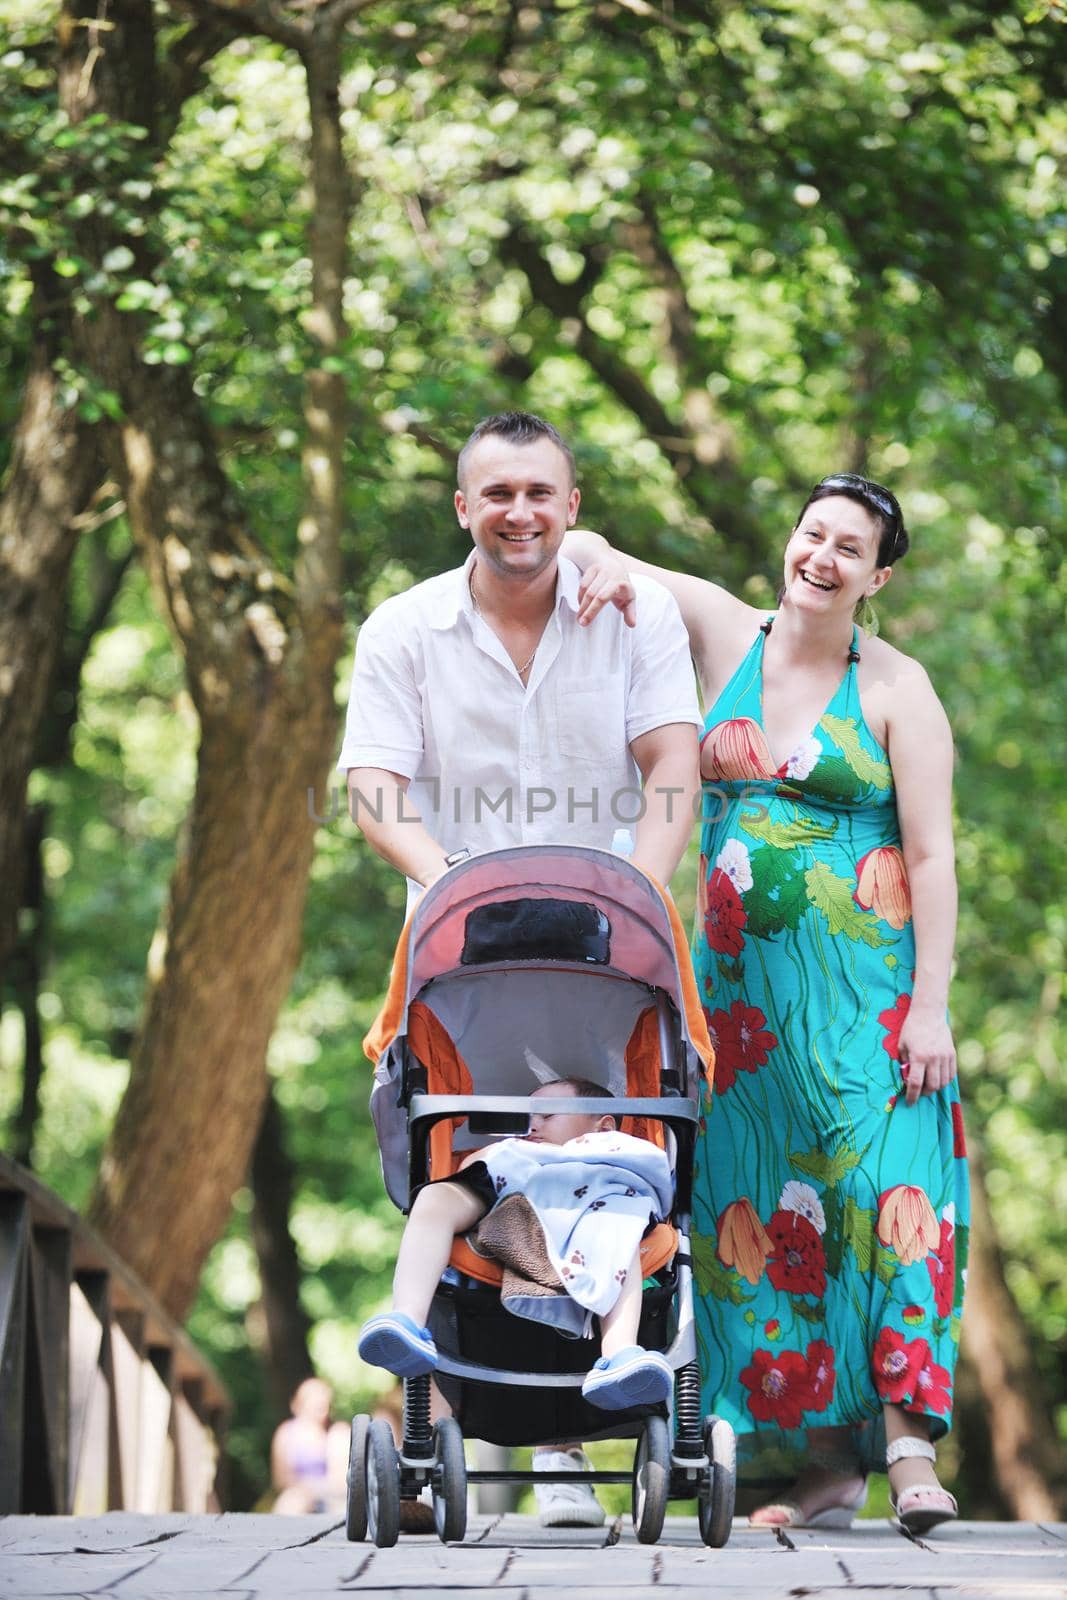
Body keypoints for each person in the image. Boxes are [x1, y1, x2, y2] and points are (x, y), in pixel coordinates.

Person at [563, 474, 969, 1534]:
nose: (820, 556)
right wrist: (598, 564)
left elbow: (928, 855)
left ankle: (907, 1448)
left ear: (875, 576)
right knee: (762, 1223)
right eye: (810, 532)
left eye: (848, 548)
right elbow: (596, 541)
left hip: (867, 1009)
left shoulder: (893, 686)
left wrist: (931, 1005)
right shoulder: (719, 629)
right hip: (738, 1020)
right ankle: (827, 1468)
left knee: (887, 1208)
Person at [338, 410, 702, 1526]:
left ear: (571, 504)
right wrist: (450, 879)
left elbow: (672, 762)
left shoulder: (630, 617)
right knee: (471, 1167)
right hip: (462, 962)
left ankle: (567, 1449)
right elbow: (372, 785)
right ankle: (445, 1424)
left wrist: (633, 899)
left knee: (602, 1177)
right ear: (463, 507)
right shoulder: (403, 629)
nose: (519, 513)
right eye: (495, 493)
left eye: (539, 493)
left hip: (607, 965)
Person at [357, 1078, 675, 1411]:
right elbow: (471, 1172)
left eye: (548, 1115)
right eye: (526, 1117)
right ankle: (407, 1318)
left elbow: (647, 1198)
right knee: (433, 1197)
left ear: (604, 1125)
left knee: (623, 1233)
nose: (532, 1125)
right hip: (507, 1203)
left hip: (599, 1211)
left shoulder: (621, 1154)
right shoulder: (514, 1151)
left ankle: (618, 1353)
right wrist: (492, 1153)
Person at [270, 1377, 349, 1514]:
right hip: (298, 1496)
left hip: (333, 1500)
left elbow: (341, 1482)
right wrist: (307, 1492)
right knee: (291, 1503)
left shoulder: (338, 1433)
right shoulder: (286, 1433)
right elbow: (281, 1480)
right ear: (297, 1404)